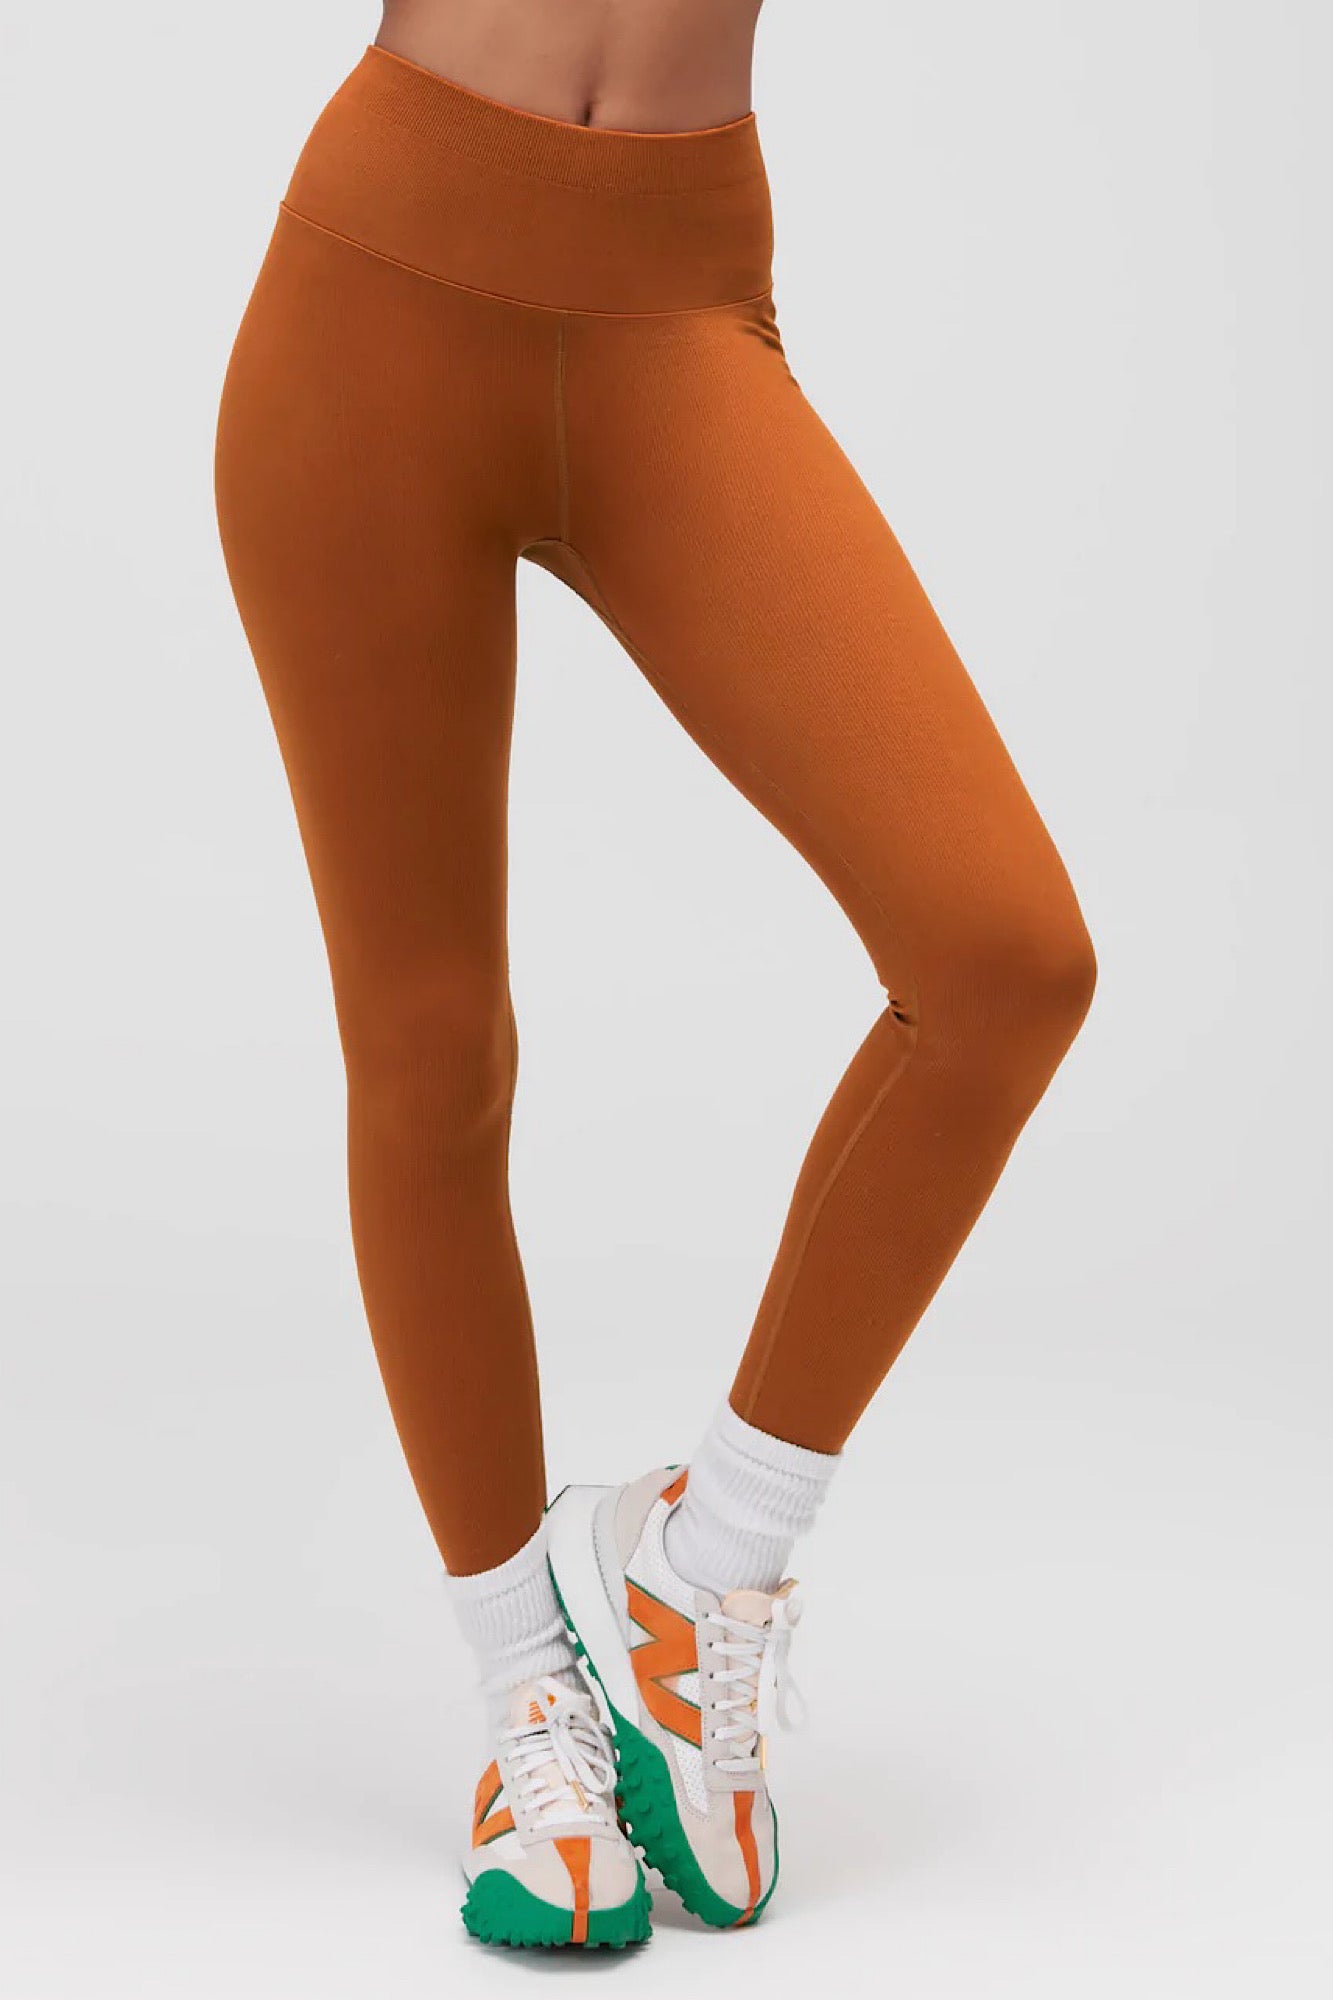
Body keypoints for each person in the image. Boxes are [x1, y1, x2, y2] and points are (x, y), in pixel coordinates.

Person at [214, 0, 1096, 1950]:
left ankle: (707, 1563)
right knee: (433, 1052)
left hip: (672, 306)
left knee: (1003, 957)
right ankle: (524, 1690)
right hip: (374, 293)